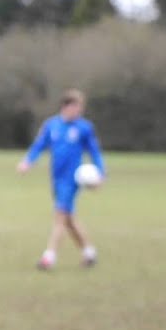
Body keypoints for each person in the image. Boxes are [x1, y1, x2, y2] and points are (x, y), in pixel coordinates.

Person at [17, 88, 106, 270]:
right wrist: (28, 161)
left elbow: (94, 151)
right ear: (65, 107)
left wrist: (101, 173)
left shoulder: (84, 128)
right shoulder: (52, 125)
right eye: (76, 108)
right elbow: (39, 145)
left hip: (73, 179)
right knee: (69, 220)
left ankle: (49, 257)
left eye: (80, 108)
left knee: (60, 218)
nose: (79, 112)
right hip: (56, 179)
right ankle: (89, 253)